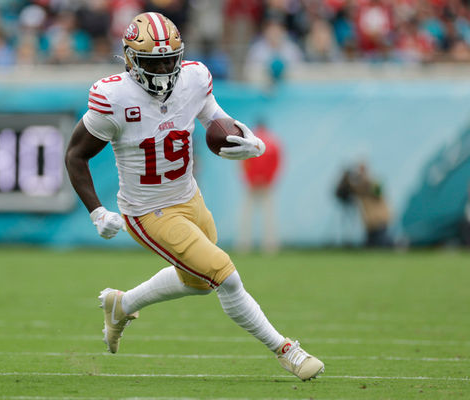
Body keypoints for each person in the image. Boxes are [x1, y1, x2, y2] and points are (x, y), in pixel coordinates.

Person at [65, 12, 324, 381]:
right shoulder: (114, 97)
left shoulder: (194, 78)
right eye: (155, 63)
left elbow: (216, 119)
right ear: (130, 59)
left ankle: (121, 304)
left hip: (189, 197)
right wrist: (96, 212)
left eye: (171, 60)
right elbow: (76, 154)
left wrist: (248, 139)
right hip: (148, 211)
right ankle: (287, 351)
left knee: (199, 282)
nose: (165, 70)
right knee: (225, 276)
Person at [236, 122, 282, 253]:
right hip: (264, 184)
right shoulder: (273, 142)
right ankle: (270, 246)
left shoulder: (249, 141)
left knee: (247, 215)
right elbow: (277, 163)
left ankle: (244, 246)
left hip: (253, 184)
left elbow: (243, 162)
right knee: (268, 215)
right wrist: (268, 179)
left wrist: (251, 179)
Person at [335, 161, 393, 247]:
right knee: (371, 247)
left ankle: (399, 245)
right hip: (369, 224)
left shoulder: (374, 182)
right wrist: (345, 178)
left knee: (383, 245)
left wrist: (365, 180)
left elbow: (378, 193)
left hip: (380, 221)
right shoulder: (358, 187)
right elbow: (340, 193)